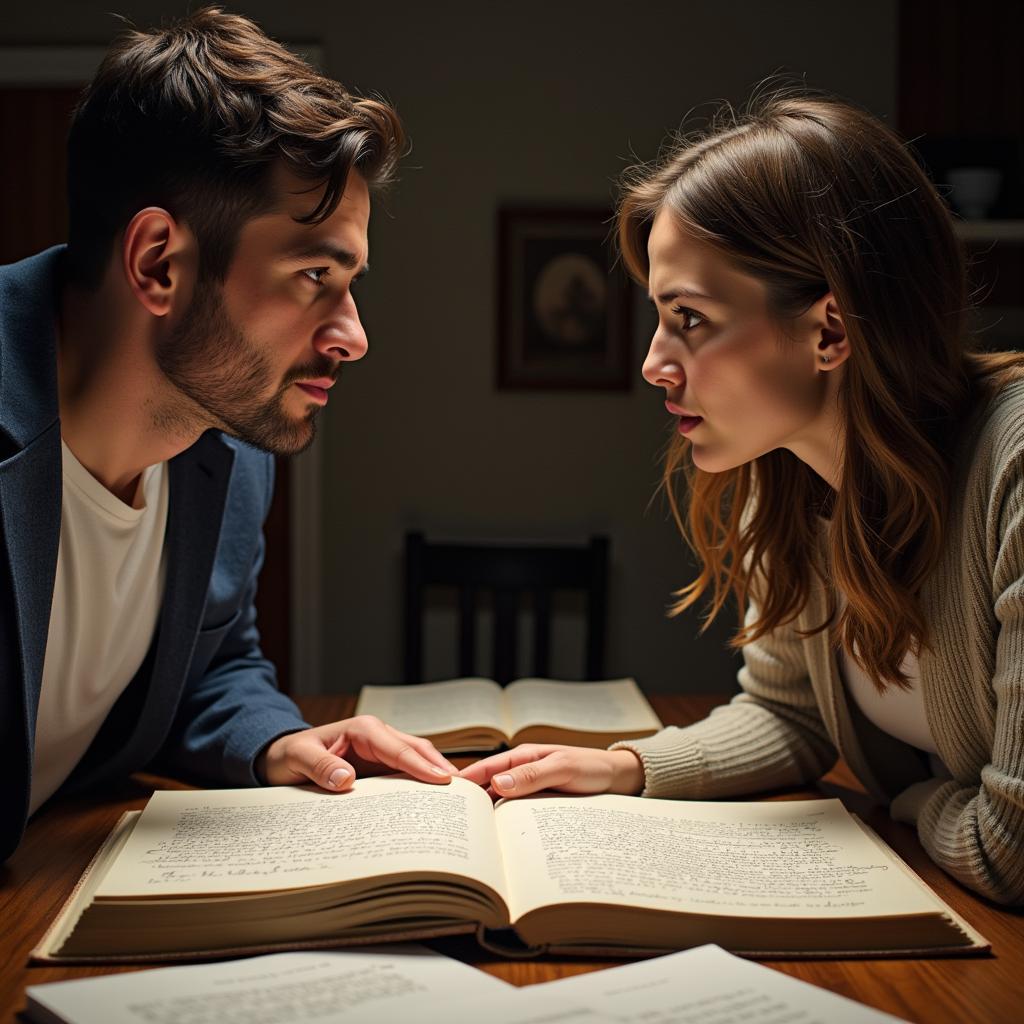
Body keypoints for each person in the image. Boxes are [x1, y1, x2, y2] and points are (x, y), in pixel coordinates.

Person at [462, 88, 1024, 906]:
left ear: (830, 331)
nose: (654, 364)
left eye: (688, 318)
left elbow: (1009, 851)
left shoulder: (1012, 469)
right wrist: (627, 767)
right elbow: (793, 716)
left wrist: (908, 801)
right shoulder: (791, 475)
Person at [0, 7, 458, 864]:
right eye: (314, 275)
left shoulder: (230, 448)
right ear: (158, 265)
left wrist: (273, 741)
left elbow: (210, 664)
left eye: (349, 282)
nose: (352, 335)